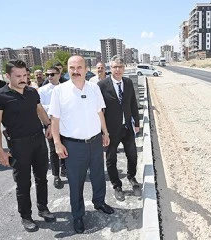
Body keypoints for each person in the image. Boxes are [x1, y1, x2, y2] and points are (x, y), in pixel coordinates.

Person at [49, 55, 114, 234]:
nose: (76, 71)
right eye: (72, 67)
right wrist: (57, 143)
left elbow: (99, 112)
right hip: (73, 145)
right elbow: (54, 120)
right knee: (76, 182)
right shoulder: (59, 91)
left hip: (94, 142)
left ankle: (99, 202)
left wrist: (105, 132)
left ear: (86, 69)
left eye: (79, 67)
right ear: (67, 69)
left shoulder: (94, 88)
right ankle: (78, 215)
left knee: (98, 175)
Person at [0, 59, 55, 232]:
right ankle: (26, 216)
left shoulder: (32, 92)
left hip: (38, 141)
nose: (23, 78)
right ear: (7, 76)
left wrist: (48, 124)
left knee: (42, 178)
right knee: (23, 183)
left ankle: (43, 208)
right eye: (18, 76)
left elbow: (39, 110)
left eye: (25, 75)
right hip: (18, 146)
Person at [98, 55, 140, 202]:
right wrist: (103, 132)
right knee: (111, 159)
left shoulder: (128, 83)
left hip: (127, 127)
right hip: (111, 130)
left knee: (132, 155)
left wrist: (136, 124)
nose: (117, 70)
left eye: (120, 67)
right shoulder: (102, 85)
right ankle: (117, 186)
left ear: (124, 68)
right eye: (115, 67)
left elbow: (133, 103)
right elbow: (99, 110)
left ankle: (131, 177)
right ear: (110, 68)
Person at [38, 66, 66, 189]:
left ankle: (65, 168)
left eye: (52, 74)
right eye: (47, 74)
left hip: (66, 123)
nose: (49, 77)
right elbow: (41, 108)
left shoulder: (66, 88)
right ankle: (56, 175)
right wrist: (56, 108)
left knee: (67, 146)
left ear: (59, 75)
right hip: (49, 123)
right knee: (53, 149)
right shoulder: (42, 90)